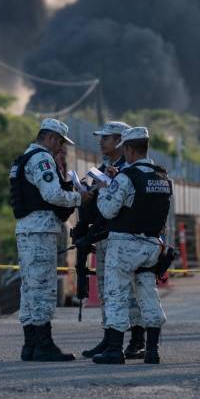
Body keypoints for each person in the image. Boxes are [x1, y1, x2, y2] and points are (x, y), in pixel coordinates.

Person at [10, 118, 89, 362]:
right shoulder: (42, 159)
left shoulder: (22, 159)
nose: (61, 149)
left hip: (26, 229)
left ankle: (30, 345)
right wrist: (79, 198)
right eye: (60, 143)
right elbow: (52, 194)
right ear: (51, 138)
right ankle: (44, 345)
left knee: (29, 288)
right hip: (41, 231)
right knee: (43, 288)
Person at [92, 127, 170, 365]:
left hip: (125, 245)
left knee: (116, 295)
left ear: (129, 149)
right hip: (151, 245)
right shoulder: (162, 176)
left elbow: (107, 210)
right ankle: (153, 350)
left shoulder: (126, 177)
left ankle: (114, 350)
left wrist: (105, 189)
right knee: (148, 295)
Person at [78, 121, 147, 360]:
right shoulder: (105, 167)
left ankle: (138, 339)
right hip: (105, 235)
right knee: (107, 289)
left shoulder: (132, 168)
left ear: (120, 142)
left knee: (132, 291)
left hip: (127, 237)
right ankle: (110, 337)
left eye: (105, 138)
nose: (100, 142)